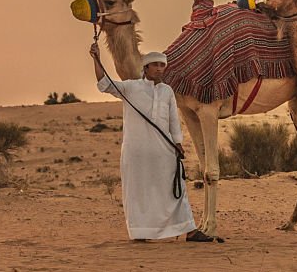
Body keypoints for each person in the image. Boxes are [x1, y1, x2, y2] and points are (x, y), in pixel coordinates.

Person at [89, 42, 214, 242]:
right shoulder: (131, 88)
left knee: (177, 189)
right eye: (155, 65)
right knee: (138, 192)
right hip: (136, 152)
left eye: (162, 65)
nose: (159, 68)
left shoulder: (167, 92)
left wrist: (178, 143)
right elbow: (105, 84)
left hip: (163, 150)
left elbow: (174, 119)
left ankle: (189, 230)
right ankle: (140, 232)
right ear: (145, 68)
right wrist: (96, 59)